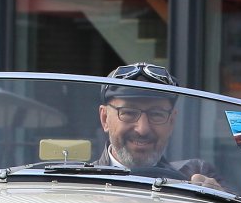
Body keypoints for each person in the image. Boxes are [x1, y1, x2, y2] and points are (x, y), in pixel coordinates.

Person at [95, 62, 226, 190]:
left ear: (171, 122)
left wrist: (213, 196)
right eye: (129, 113)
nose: (142, 129)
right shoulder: (83, 182)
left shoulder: (196, 174)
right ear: (105, 118)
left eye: (156, 114)